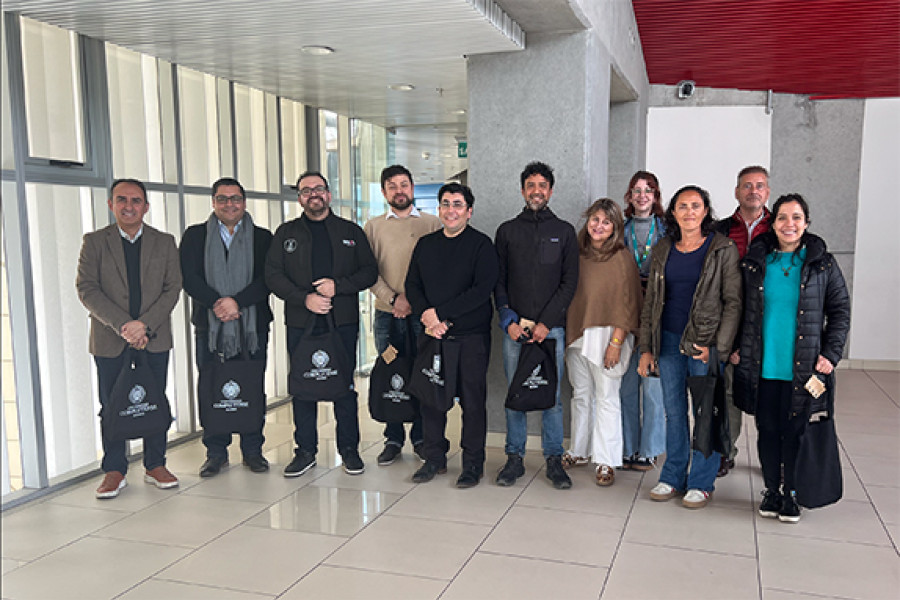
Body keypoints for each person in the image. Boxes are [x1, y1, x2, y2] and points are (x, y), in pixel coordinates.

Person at [733, 194, 850, 523]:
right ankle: (772, 490)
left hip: (806, 369)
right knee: (768, 430)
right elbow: (741, 309)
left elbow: (840, 311)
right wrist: (736, 347)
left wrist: (831, 354)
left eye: (796, 217)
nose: (789, 224)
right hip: (764, 366)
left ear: (806, 223)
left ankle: (793, 493)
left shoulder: (822, 264)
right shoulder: (756, 262)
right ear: (773, 223)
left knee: (798, 431)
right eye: (782, 217)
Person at [265, 171, 377, 477]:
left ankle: (349, 450)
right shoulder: (286, 233)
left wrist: (337, 287)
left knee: (344, 386)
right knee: (303, 386)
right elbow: (273, 275)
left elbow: (369, 271)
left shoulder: (350, 231)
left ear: (328, 194)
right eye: (306, 190)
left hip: (342, 321)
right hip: (301, 322)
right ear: (300, 198)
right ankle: (305, 451)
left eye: (319, 189)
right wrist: (305, 299)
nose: (313, 194)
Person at [76, 178, 182, 498]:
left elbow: (172, 288)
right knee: (111, 404)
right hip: (110, 339)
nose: (129, 206)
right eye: (121, 200)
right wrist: (124, 325)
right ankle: (114, 469)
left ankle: (155, 464)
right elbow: (87, 288)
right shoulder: (95, 242)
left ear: (146, 207)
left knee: (154, 399)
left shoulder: (164, 242)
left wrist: (144, 325)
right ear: (111, 204)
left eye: (136, 201)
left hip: (154, 336)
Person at [637, 185, 741, 509]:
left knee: (705, 413)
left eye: (696, 206)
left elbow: (733, 303)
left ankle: (701, 482)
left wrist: (718, 348)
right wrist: (646, 347)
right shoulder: (663, 248)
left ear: (705, 211)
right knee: (673, 412)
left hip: (703, 344)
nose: (689, 212)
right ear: (673, 212)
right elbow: (651, 302)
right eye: (682, 206)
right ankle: (672, 476)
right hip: (668, 341)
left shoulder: (722, 248)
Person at [405, 183, 499, 488]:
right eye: (445, 204)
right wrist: (427, 315)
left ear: (469, 211)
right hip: (433, 335)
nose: (451, 210)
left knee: (472, 403)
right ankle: (434, 458)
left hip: (470, 338)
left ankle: (472, 463)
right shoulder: (426, 244)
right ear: (439, 209)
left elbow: (481, 291)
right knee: (431, 400)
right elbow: (412, 285)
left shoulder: (481, 245)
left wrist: (441, 315)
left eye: (457, 204)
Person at [180, 177, 273, 477]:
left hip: (252, 327)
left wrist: (237, 303)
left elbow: (269, 278)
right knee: (211, 386)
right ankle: (216, 452)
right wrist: (217, 304)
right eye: (222, 198)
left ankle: (252, 450)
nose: (229, 204)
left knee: (251, 385)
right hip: (210, 327)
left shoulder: (262, 237)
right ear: (213, 202)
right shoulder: (195, 236)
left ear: (244, 202)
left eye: (235, 198)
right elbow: (188, 277)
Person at [494, 161, 578, 489]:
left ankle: (554, 459)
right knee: (516, 393)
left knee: (551, 396)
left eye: (542, 185)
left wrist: (546, 322)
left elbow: (569, 283)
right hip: (515, 330)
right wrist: (508, 320)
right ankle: (514, 458)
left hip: (551, 330)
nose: (536, 191)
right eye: (531, 185)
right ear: (522, 190)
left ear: (551, 191)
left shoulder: (565, 232)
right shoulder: (507, 231)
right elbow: (498, 281)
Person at [364, 165, 440, 465]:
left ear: (412, 187)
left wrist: (414, 302)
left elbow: (438, 271)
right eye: (392, 186)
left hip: (422, 316)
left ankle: (420, 437)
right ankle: (393, 438)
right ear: (384, 192)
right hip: (387, 314)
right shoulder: (373, 227)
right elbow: (368, 273)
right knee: (390, 373)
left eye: (404, 184)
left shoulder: (432, 224)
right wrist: (394, 299)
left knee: (421, 374)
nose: (399, 190)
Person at [565, 199, 643, 487]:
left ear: (615, 227)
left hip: (609, 335)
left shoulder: (621, 258)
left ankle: (606, 460)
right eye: (595, 219)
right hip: (577, 333)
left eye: (606, 222)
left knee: (607, 397)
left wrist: (616, 342)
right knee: (581, 394)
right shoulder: (576, 253)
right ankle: (579, 450)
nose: (599, 226)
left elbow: (629, 304)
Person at [713, 165, 772, 477]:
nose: (753, 191)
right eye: (747, 186)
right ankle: (726, 452)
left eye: (759, 185)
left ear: (767, 192)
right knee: (729, 393)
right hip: (731, 322)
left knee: (768, 394)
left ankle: (771, 457)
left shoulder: (780, 228)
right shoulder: (720, 230)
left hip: (769, 324)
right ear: (736, 192)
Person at [619, 171, 667, 472]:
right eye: (636, 190)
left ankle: (649, 449)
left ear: (656, 195)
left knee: (652, 386)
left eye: (648, 190)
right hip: (625, 309)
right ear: (629, 196)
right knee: (625, 385)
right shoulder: (619, 229)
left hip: (657, 310)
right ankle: (627, 446)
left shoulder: (667, 230)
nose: (642, 196)